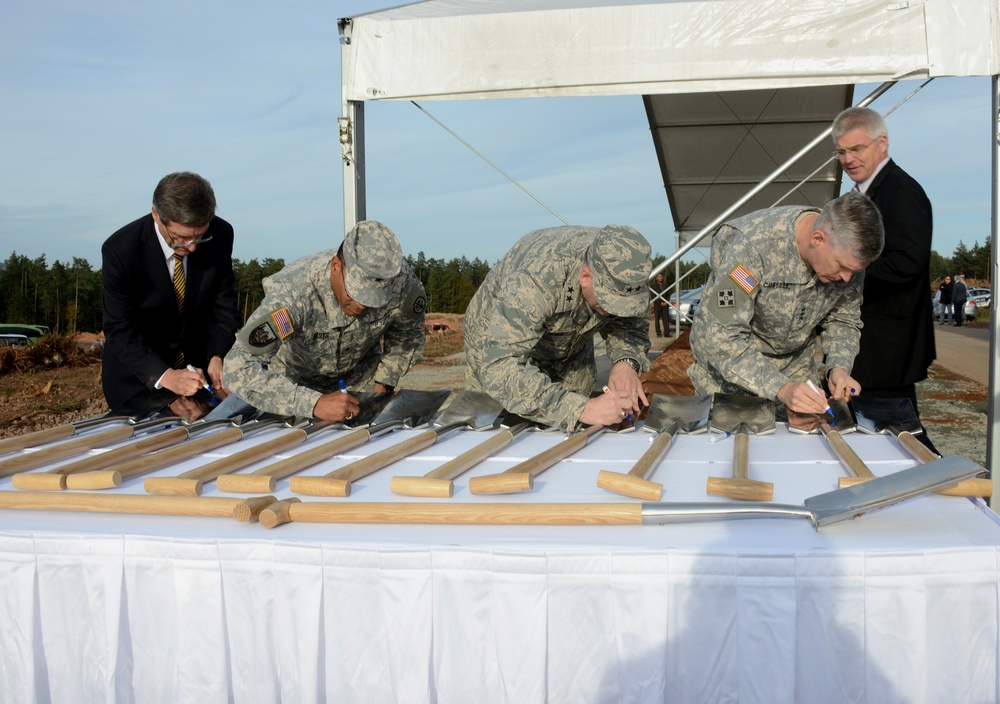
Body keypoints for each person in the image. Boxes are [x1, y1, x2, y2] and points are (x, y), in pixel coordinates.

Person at [687, 192, 884, 414]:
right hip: (731, 382)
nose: (848, 278)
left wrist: (838, 367)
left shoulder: (846, 256)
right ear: (817, 239)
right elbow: (721, 337)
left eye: (855, 270)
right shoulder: (753, 246)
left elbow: (843, 318)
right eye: (842, 266)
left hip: (797, 378)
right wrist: (781, 387)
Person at [213, 221, 426, 422]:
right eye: (355, 293)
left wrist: (380, 394)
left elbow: (405, 339)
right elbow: (238, 366)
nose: (362, 305)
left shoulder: (402, 285)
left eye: (373, 300)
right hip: (292, 388)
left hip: (358, 385)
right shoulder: (295, 293)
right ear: (336, 266)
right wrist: (313, 404)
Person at [464, 225, 652, 431]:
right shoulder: (537, 278)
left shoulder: (628, 272)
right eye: (609, 302)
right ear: (586, 277)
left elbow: (631, 325)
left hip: (570, 338)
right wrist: (582, 409)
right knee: (496, 423)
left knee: (579, 427)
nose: (614, 310)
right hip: (498, 338)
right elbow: (500, 368)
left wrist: (625, 363)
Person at [832, 107, 937, 450]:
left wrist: (845, 274)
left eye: (857, 149)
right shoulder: (861, 195)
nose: (848, 159)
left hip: (887, 348)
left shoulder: (901, 192)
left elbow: (908, 263)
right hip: (871, 345)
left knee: (901, 438)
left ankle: (951, 493)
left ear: (882, 144)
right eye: (842, 151)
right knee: (874, 435)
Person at [101, 172, 240, 420]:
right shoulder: (121, 251)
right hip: (140, 379)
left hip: (198, 373)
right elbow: (120, 331)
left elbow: (224, 304)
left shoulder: (221, 234)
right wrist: (167, 377)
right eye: (181, 238)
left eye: (200, 236)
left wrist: (217, 355)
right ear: (157, 215)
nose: (193, 247)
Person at [649, 272, 671, 337]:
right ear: (656, 278)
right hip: (657, 305)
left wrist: (666, 302)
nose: (660, 278)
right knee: (657, 319)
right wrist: (660, 302)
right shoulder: (653, 286)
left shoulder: (666, 285)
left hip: (665, 304)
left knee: (666, 319)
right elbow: (653, 296)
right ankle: (658, 333)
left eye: (661, 276)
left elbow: (669, 293)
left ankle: (667, 333)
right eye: (658, 277)